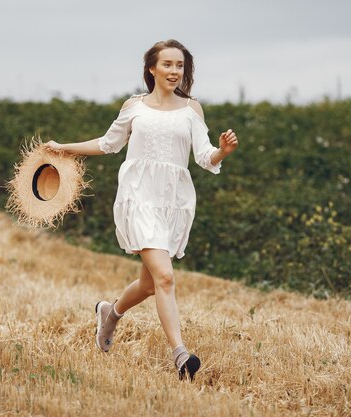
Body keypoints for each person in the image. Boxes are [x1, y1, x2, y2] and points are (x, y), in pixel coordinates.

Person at [44, 39, 239, 381]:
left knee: (150, 284)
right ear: (151, 68)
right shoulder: (134, 106)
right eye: (167, 64)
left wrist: (222, 151)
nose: (174, 71)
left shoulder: (192, 109)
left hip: (174, 201)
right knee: (165, 277)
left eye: (180, 65)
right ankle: (181, 355)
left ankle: (110, 313)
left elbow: (205, 157)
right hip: (138, 197)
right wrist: (65, 148)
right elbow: (108, 144)